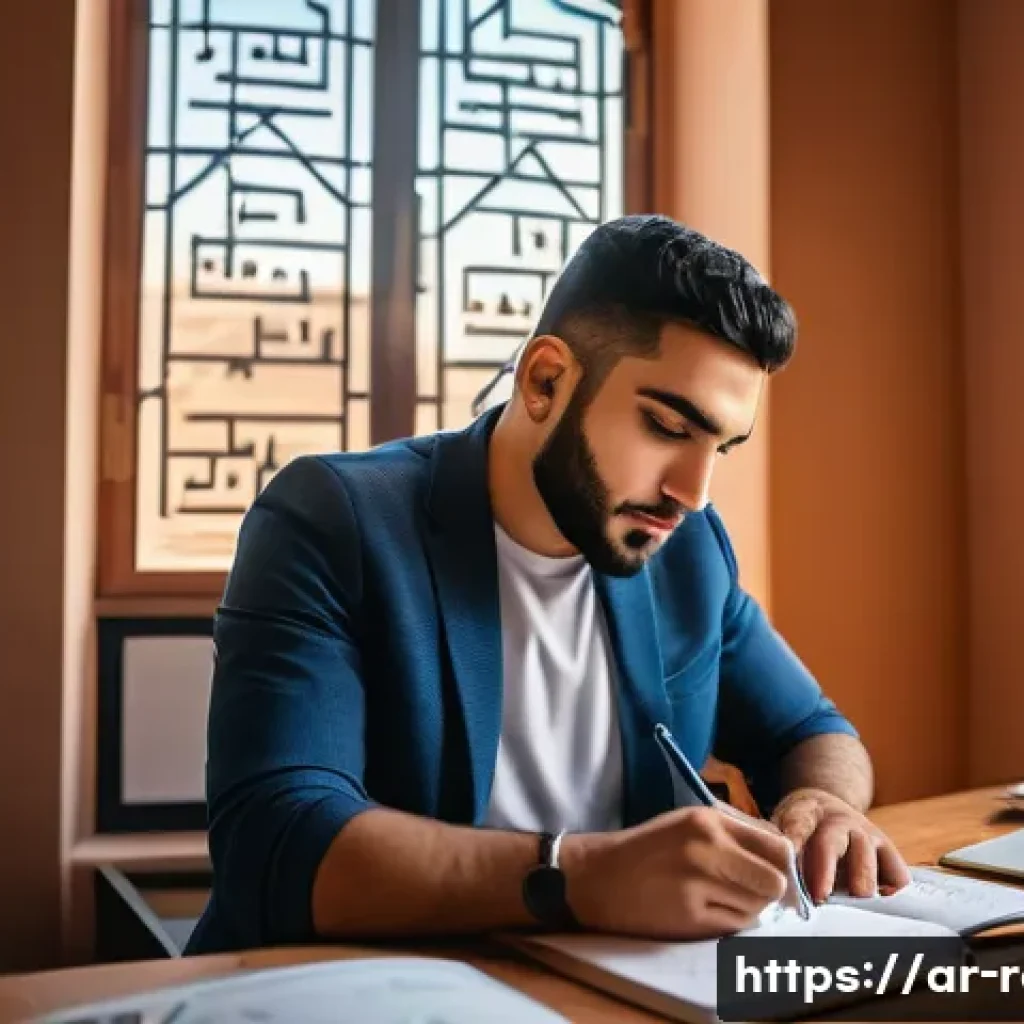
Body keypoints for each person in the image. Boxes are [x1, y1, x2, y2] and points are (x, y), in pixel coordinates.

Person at [185, 214, 911, 956]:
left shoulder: (689, 552)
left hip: (604, 991)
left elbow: (813, 731)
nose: (693, 491)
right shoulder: (332, 520)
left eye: (717, 446)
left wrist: (826, 803)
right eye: (666, 426)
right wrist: (580, 875)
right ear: (546, 380)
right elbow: (277, 840)